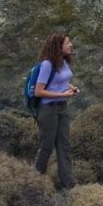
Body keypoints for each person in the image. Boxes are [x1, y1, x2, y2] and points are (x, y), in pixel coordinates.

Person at [33, 33, 80, 189]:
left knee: (64, 145)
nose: (70, 45)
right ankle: (36, 181)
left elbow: (62, 80)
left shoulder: (64, 62)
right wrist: (62, 94)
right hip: (48, 110)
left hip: (62, 108)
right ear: (58, 46)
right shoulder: (47, 64)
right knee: (47, 146)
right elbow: (39, 92)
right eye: (67, 43)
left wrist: (71, 88)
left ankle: (69, 183)